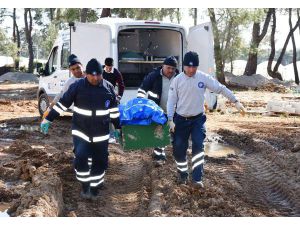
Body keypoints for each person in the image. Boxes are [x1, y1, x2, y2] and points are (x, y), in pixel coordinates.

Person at [40, 58, 120, 200]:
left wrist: (117, 127)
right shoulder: (77, 86)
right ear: (87, 74)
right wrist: (48, 118)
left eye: (98, 75)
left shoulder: (108, 88)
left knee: (100, 162)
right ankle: (85, 185)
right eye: (92, 75)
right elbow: (62, 104)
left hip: (101, 133)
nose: (95, 78)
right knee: (81, 158)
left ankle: (95, 188)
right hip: (81, 131)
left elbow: (114, 111)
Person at [167, 51, 246, 188]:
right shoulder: (177, 80)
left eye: (194, 67)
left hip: (197, 119)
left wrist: (236, 101)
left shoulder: (203, 78)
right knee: (179, 149)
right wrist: (170, 119)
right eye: (188, 67)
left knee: (198, 145)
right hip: (180, 119)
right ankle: (183, 174)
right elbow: (171, 101)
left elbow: (220, 88)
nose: (191, 70)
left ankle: (197, 178)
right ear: (184, 66)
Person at [137, 56, 179, 166]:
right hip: (157, 110)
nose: (170, 70)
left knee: (175, 133)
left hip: (175, 111)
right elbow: (142, 89)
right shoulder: (154, 76)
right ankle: (159, 155)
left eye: (173, 68)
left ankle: (177, 154)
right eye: (168, 68)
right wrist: (141, 102)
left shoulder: (179, 77)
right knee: (160, 131)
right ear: (163, 66)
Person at [42, 54, 85, 119]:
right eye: (73, 69)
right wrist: (49, 109)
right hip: (79, 116)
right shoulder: (70, 82)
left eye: (78, 67)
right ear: (70, 70)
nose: (76, 71)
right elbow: (60, 96)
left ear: (82, 66)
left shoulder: (91, 78)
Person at [102, 57, 125, 143]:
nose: (109, 69)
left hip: (112, 97)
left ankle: (118, 137)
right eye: (107, 67)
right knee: (105, 118)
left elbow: (121, 85)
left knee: (115, 118)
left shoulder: (116, 72)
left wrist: (119, 97)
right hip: (102, 97)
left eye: (110, 67)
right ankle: (108, 136)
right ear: (105, 66)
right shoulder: (101, 70)